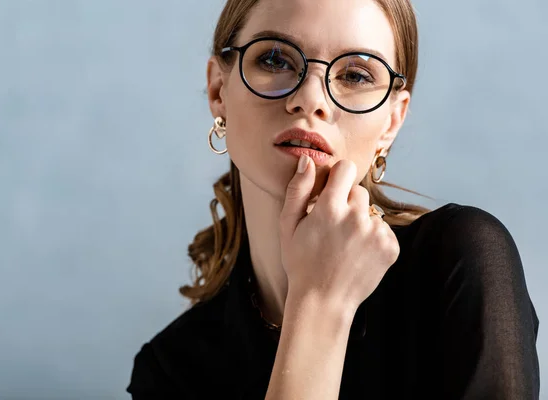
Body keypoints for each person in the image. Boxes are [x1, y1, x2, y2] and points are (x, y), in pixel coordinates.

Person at [127, 0, 540, 398]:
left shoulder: (461, 261)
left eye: (356, 75)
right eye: (275, 59)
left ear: (391, 122)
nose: (311, 99)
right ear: (219, 90)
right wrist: (318, 304)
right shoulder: (171, 369)